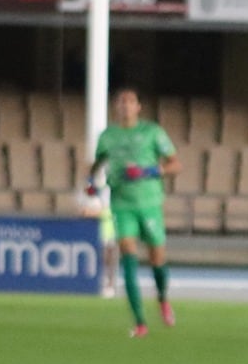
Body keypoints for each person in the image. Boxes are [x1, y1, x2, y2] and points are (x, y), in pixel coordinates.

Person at [89, 85, 180, 337]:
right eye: (121, 101)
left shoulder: (152, 132)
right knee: (127, 254)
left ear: (138, 107)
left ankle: (162, 298)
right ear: (116, 107)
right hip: (122, 204)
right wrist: (91, 182)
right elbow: (97, 164)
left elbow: (175, 163)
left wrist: (148, 171)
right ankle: (140, 322)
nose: (125, 105)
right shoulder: (108, 136)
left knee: (157, 259)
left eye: (130, 101)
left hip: (149, 203)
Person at [77, 177, 119, 299]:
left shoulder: (109, 192)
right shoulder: (93, 195)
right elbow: (85, 211)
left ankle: (109, 285)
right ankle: (102, 283)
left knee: (110, 259)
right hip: (98, 231)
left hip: (111, 230)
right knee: (101, 258)